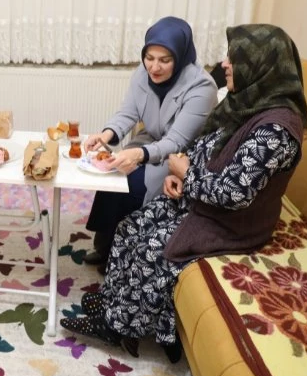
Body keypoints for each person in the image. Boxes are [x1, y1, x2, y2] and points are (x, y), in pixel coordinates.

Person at [61, 24, 307, 363]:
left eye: (233, 58)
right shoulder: (248, 102)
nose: (224, 64)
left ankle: (118, 327)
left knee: (153, 247)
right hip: (200, 199)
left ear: (260, 66)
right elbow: (207, 143)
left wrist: (185, 173)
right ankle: (113, 303)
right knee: (129, 228)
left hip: (232, 222)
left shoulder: (276, 130)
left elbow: (235, 194)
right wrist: (183, 174)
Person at [82, 16, 218, 269]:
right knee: (112, 174)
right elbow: (128, 112)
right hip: (150, 141)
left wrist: (138, 155)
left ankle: (122, 256)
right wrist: (106, 135)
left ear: (181, 56)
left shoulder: (202, 87)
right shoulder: (142, 73)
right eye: (149, 58)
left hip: (180, 156)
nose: (154, 67)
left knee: (133, 184)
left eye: (165, 60)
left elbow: (176, 141)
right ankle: (104, 247)